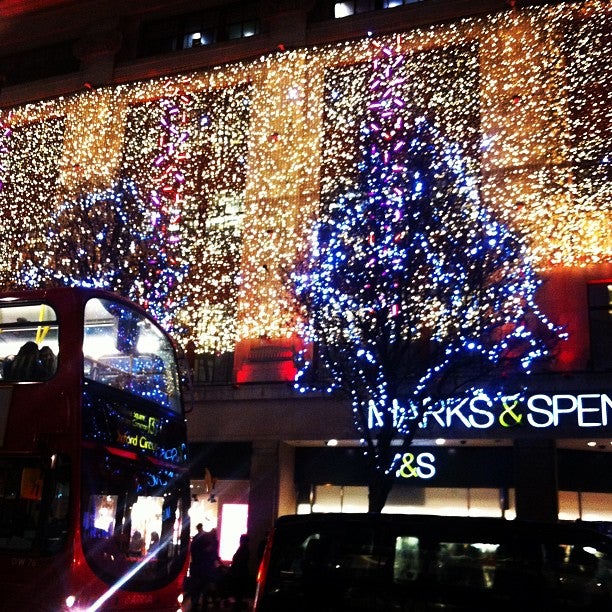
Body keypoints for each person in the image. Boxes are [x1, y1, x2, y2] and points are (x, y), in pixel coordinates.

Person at [189, 523, 220, 611]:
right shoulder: (206, 542)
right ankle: (205, 606)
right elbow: (212, 556)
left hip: (197, 570)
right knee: (205, 589)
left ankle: (196, 606)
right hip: (204, 571)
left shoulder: (196, 540)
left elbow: (193, 553)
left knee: (198, 590)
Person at [228, 534, 252, 610]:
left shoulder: (242, 549)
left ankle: (237, 607)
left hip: (239, 573)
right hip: (241, 573)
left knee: (238, 591)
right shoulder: (245, 549)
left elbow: (238, 561)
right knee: (239, 592)